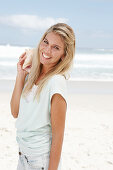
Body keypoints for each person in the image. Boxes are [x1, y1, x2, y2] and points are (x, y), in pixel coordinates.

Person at [10, 23, 75, 170]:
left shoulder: (56, 83)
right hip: (23, 156)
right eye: (46, 42)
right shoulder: (32, 74)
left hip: (40, 161)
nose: (47, 50)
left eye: (56, 47)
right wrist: (21, 74)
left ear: (64, 55)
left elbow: (58, 137)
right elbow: (15, 112)